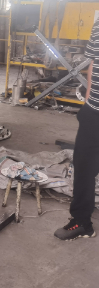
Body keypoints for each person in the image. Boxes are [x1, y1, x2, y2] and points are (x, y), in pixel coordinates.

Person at [54, 20, 99, 241]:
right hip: (94, 111)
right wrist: (88, 101)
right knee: (83, 168)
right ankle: (82, 222)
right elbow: (94, 63)